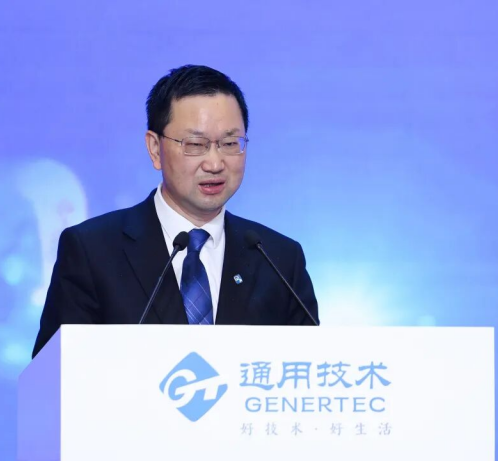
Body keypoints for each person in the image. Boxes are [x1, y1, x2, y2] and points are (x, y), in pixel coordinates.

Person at [32, 65, 318, 358]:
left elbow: (311, 373)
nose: (215, 163)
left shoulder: (279, 260)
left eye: (230, 143)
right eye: (196, 144)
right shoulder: (92, 252)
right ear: (155, 149)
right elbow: (51, 375)